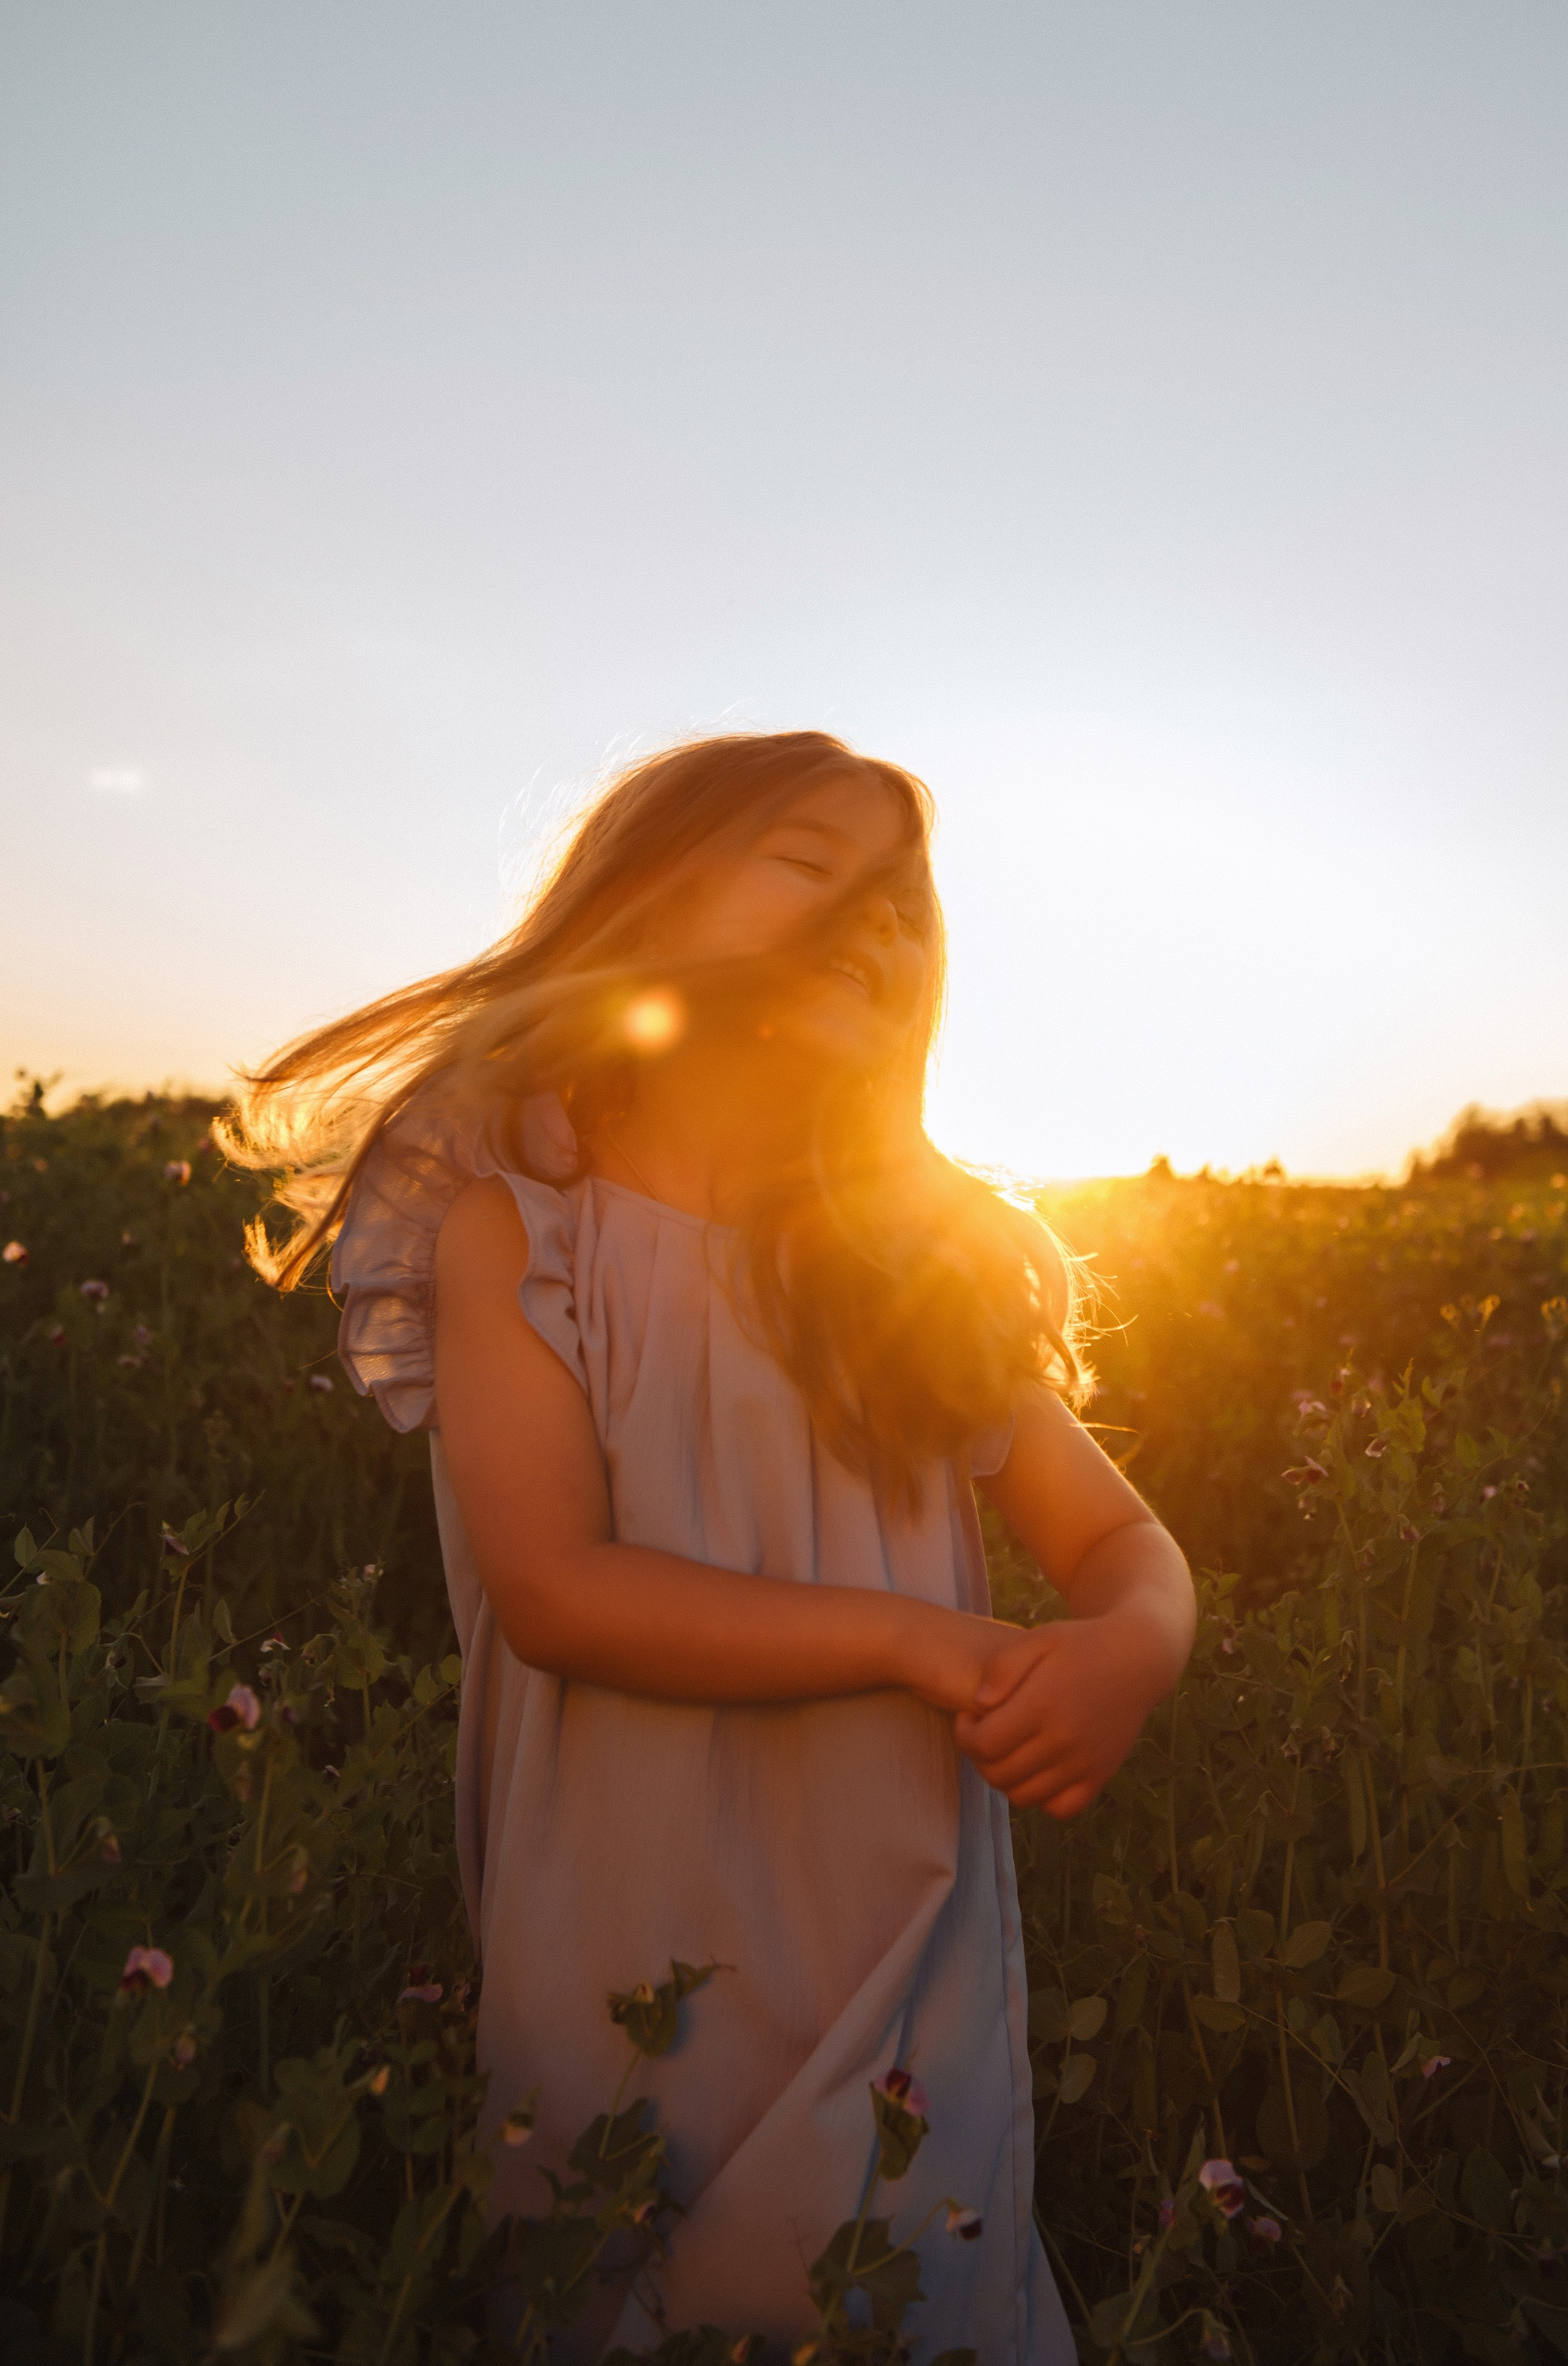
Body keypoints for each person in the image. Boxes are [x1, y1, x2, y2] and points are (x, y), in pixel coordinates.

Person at [227, 729, 1196, 2360]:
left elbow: (1121, 1538)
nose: (870, 922)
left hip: (899, 1910)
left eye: (903, 905)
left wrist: (1128, 1645)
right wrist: (916, 1640)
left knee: (900, 2287)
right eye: (808, 869)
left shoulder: (900, 1262)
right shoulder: (519, 1227)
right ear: (644, 906)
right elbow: (555, 1590)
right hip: (623, 1911)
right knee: (632, 2271)